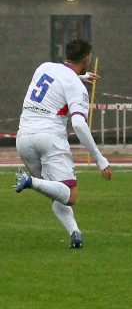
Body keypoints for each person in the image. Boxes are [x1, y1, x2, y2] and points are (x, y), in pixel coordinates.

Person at [13, 38, 112, 249]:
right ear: (86, 59)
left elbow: (58, 82)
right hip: (50, 138)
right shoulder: (77, 86)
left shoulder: (44, 67)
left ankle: (75, 234)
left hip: (23, 138)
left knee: (55, 191)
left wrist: (79, 77)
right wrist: (99, 158)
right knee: (70, 195)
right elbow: (78, 123)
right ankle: (29, 182)